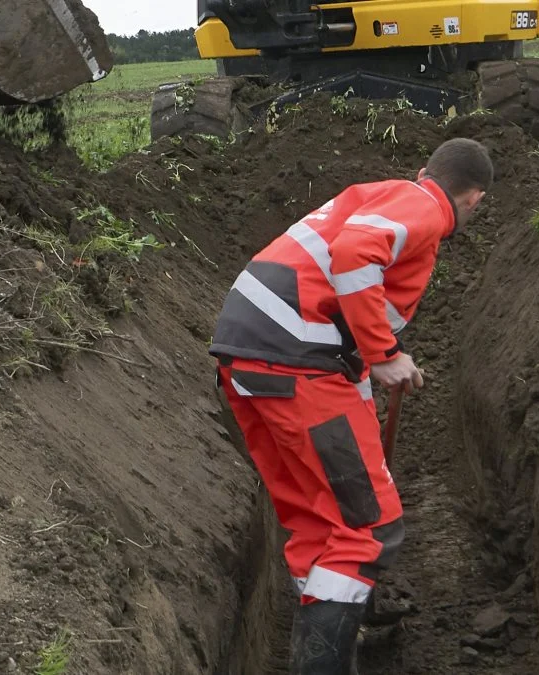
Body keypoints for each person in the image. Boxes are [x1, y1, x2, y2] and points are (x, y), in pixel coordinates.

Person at [209, 137, 493, 674]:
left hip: (253, 351)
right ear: (474, 199)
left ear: (424, 167)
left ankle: (330, 637)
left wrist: (379, 362)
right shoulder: (426, 207)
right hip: (295, 357)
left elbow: (346, 309)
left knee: (319, 521)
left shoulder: (380, 196)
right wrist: (384, 354)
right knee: (368, 528)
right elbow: (355, 254)